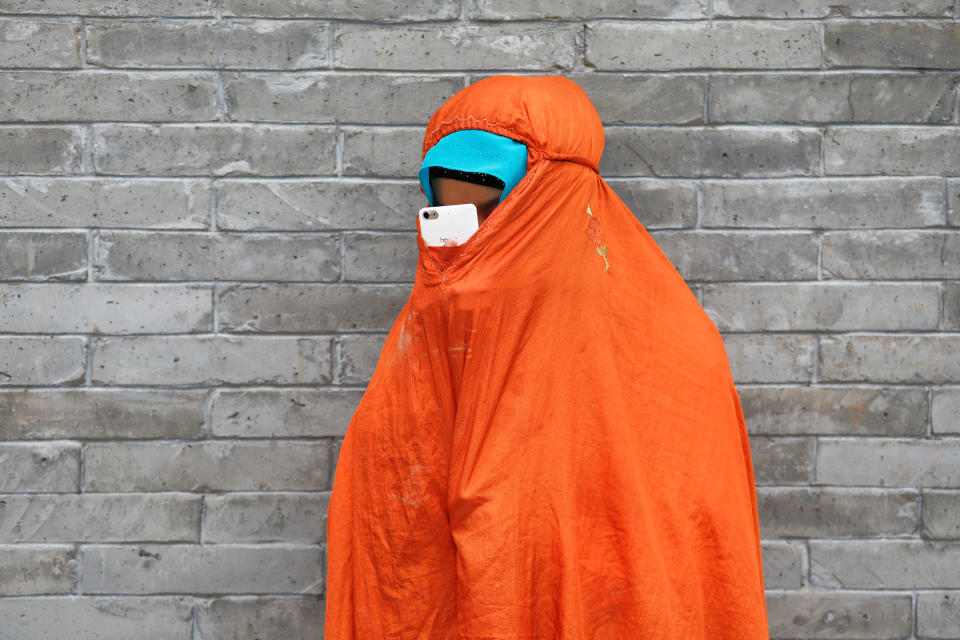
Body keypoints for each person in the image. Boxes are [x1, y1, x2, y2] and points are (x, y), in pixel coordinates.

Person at [324, 75, 769, 639]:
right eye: (446, 211)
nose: (468, 241)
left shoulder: (673, 355)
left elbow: (683, 555)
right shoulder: (436, 328)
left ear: (554, 200)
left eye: (494, 209)